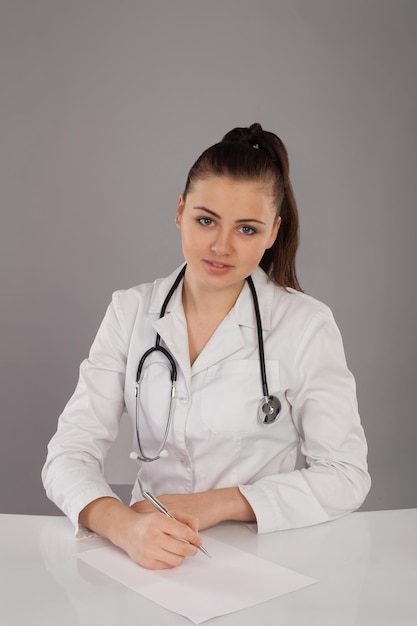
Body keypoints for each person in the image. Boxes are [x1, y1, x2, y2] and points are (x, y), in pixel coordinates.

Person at [42, 123, 371, 570]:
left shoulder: (305, 325)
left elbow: (346, 476)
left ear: (273, 232)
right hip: (146, 550)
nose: (221, 246)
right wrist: (123, 527)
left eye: (247, 230)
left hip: (261, 559)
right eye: (206, 220)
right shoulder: (130, 312)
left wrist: (219, 504)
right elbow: (68, 453)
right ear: (180, 211)